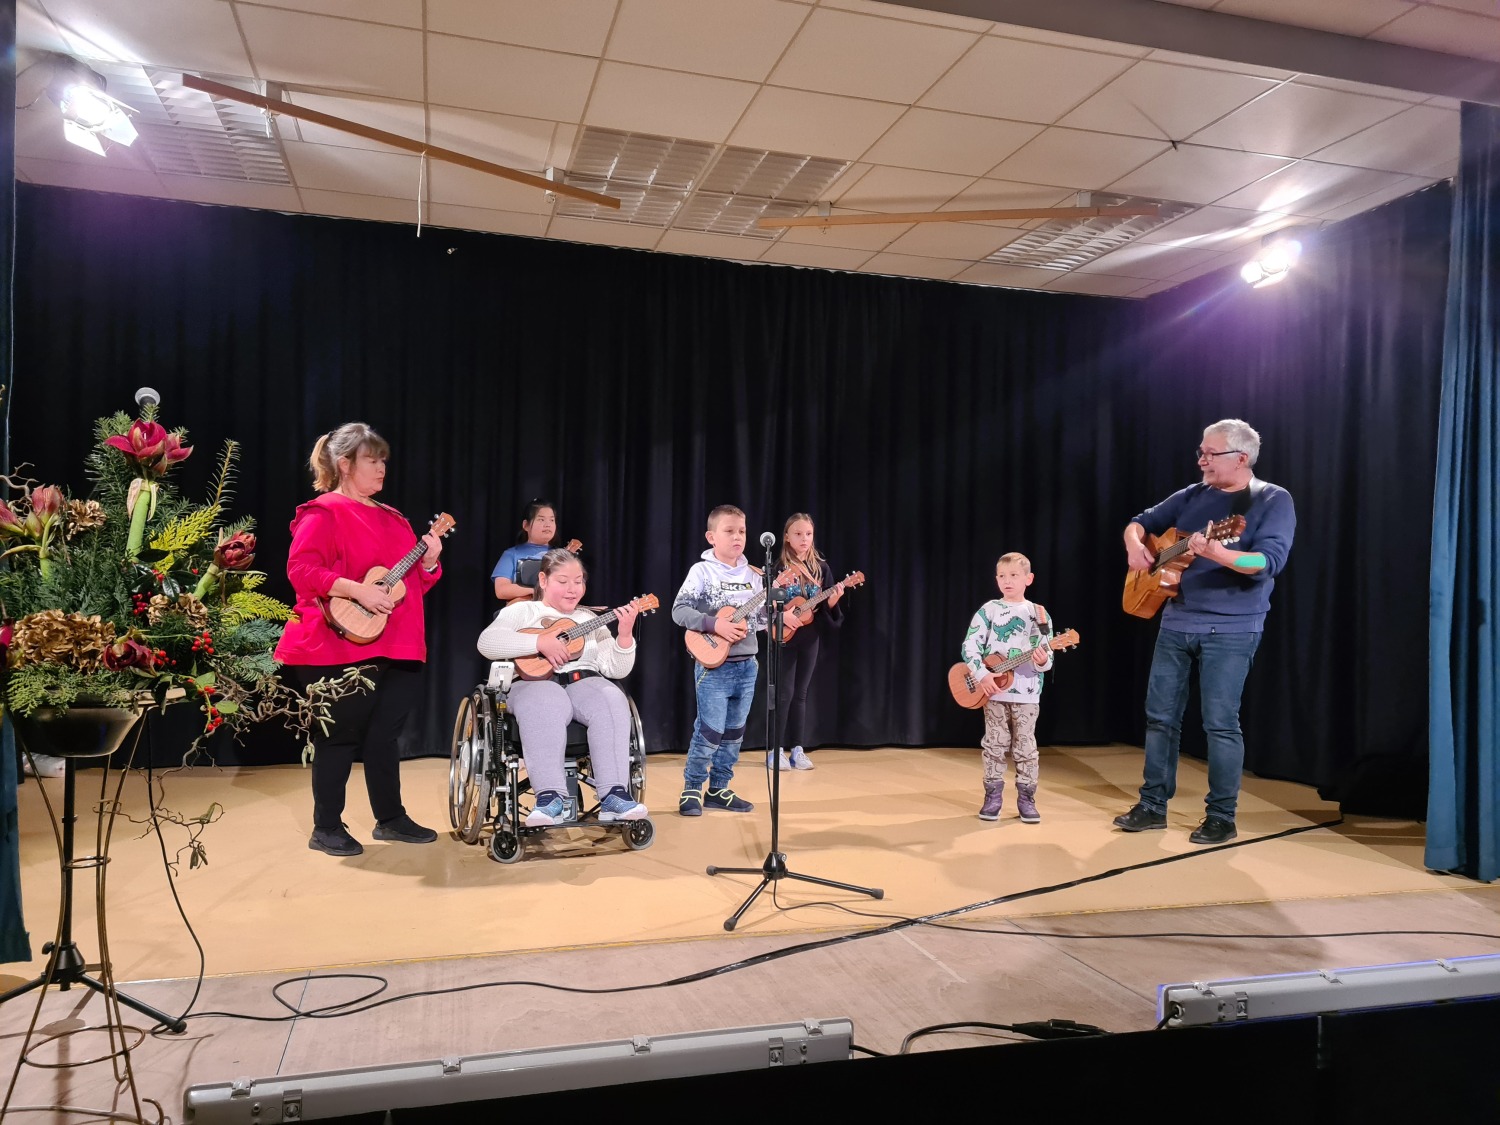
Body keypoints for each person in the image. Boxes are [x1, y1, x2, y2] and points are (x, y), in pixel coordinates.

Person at [1113, 419, 1296, 845]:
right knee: (1160, 719)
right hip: (1176, 621)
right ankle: (1152, 806)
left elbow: (1267, 563)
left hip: (1232, 629)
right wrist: (1134, 546)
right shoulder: (1193, 494)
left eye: (1210, 454)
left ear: (1241, 458)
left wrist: (1219, 553)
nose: (1201, 460)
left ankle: (1221, 816)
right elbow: (1139, 522)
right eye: (1201, 452)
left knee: (1220, 723)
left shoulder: (1271, 500)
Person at [275, 422, 444, 857]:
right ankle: (326, 826)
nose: (382, 467)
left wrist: (428, 563)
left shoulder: (395, 518)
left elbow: (409, 588)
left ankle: (390, 819)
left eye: (384, 459)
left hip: (399, 643)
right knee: (339, 736)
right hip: (339, 642)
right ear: (345, 464)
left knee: (385, 736)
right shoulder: (324, 511)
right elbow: (302, 571)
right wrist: (355, 589)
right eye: (373, 459)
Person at [475, 549, 647, 826]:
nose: (572, 589)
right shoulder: (524, 610)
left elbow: (616, 669)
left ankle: (614, 794)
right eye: (563, 581)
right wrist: (538, 644)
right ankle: (550, 797)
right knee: (548, 697)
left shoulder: (590, 619)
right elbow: (487, 642)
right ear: (543, 580)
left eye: (578, 581)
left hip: (583, 682)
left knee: (612, 698)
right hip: (534, 685)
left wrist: (624, 636)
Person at [673, 504, 765, 816]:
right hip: (714, 667)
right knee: (709, 731)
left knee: (735, 732)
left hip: (747, 665)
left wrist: (784, 614)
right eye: (729, 531)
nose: (737, 536)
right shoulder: (702, 571)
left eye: (741, 531)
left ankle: (719, 789)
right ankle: (691, 789)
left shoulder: (755, 576)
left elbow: (761, 620)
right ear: (711, 536)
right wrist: (715, 624)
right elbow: (679, 611)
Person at [960, 552, 1054, 823]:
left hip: (1027, 693)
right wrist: (982, 674)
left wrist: (1043, 659)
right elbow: (970, 645)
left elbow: (1047, 655)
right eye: (1002, 576)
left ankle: (1026, 798)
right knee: (994, 744)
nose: (1007, 581)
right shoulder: (990, 609)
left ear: (1029, 578)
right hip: (993, 692)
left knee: (1025, 747)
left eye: (1014, 575)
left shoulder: (1037, 613)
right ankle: (993, 797)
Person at [767, 513, 846, 771]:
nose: (804, 539)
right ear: (787, 537)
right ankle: (775, 749)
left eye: (808, 534)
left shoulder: (821, 569)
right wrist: (782, 615)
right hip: (784, 637)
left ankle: (797, 749)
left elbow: (824, 609)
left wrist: (832, 602)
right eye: (798, 534)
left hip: (810, 638)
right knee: (784, 693)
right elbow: (764, 603)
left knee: (801, 694)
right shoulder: (777, 567)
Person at [492, 500, 565, 603]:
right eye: (541, 519)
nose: (548, 524)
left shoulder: (562, 556)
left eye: (552, 520)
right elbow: (501, 590)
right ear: (526, 525)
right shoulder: (511, 554)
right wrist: (535, 591)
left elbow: (577, 586)